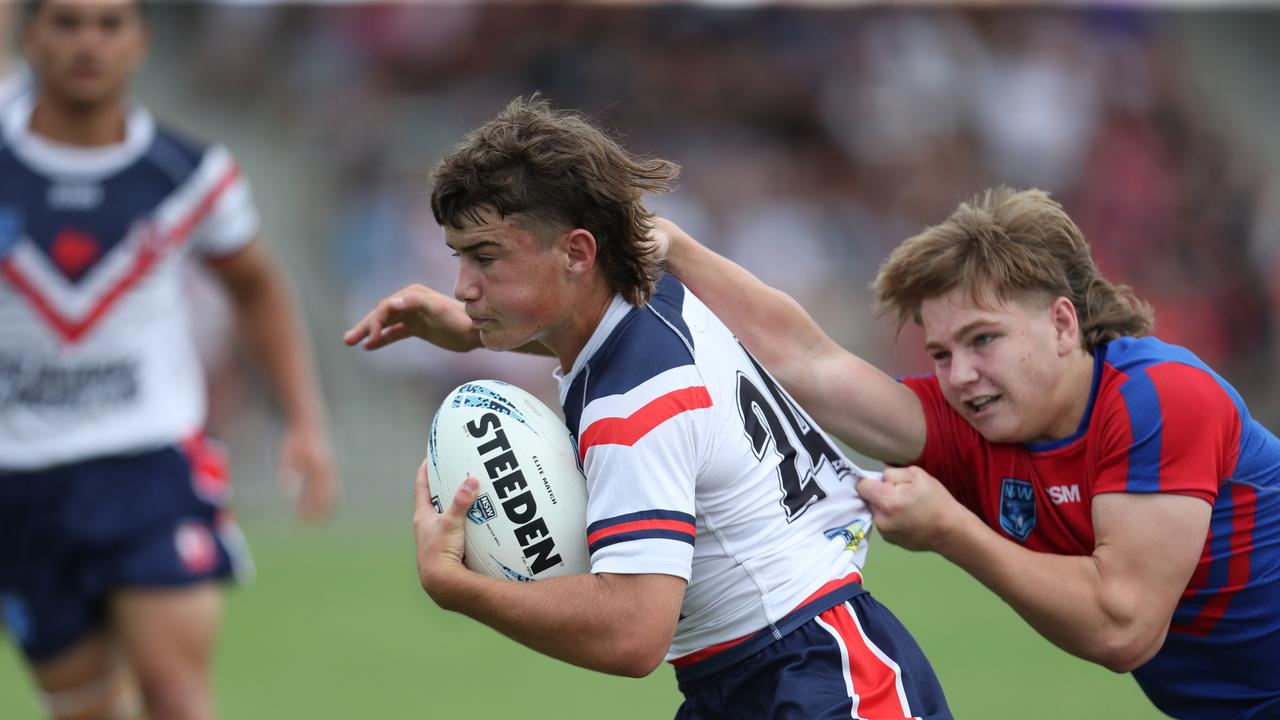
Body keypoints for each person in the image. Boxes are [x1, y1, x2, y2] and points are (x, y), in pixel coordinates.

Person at [344, 95, 952, 719]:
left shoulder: (635, 408)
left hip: (818, 680)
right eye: (459, 257)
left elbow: (634, 632)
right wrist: (470, 326)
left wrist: (456, 586)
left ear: (579, 252)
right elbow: (579, 318)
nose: (463, 286)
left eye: (486, 257)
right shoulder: (656, 291)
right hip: (771, 667)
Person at [652, 186, 1280, 720]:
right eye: (942, 353)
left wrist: (952, 530)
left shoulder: (1159, 398)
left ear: (1063, 325)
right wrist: (676, 248)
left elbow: (1123, 627)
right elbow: (808, 360)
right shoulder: (974, 422)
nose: (961, 376)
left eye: (985, 340)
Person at [0, 2, 338, 718]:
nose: (88, 42)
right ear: (28, 36)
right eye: (65, 23)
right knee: (85, 707)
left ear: (142, 41)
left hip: (147, 461)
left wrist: (303, 419)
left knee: (176, 694)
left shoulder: (188, 173)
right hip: (19, 477)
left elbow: (258, 288)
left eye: (108, 23)